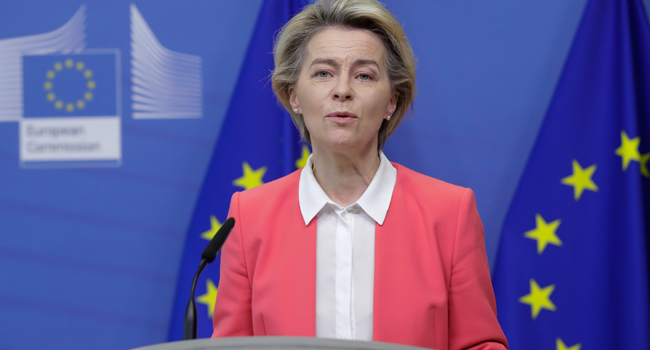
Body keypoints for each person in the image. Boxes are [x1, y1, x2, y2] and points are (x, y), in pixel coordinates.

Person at [212, 0, 508, 349]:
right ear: (293, 95)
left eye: (364, 75)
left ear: (391, 101)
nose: (342, 90)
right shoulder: (250, 216)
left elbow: (480, 345)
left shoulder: (449, 212)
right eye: (323, 73)